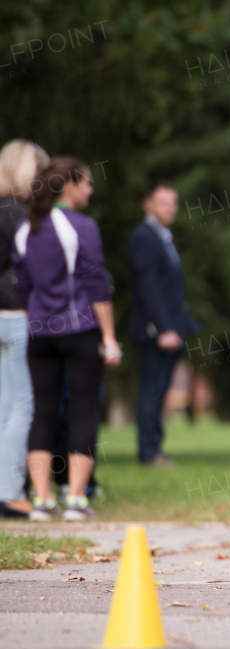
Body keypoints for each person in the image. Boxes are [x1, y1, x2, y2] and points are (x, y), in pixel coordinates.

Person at [11, 156, 121, 521]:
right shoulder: (82, 226)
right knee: (83, 411)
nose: (90, 189)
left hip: (40, 334)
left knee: (42, 412)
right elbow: (96, 284)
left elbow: (23, 285)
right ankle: (75, 499)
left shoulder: (27, 228)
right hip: (79, 331)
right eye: (87, 182)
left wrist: (37, 320)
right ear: (70, 186)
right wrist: (109, 337)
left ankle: (42, 501)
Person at [127, 180, 198, 468]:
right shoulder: (144, 238)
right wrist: (164, 328)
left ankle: (155, 449)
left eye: (173, 203)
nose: (170, 208)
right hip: (156, 331)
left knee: (159, 390)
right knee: (152, 391)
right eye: (163, 202)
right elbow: (148, 288)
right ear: (148, 204)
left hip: (171, 327)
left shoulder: (162, 237)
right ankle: (149, 452)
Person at [0, 140, 48, 519]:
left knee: (4, 405)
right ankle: (11, 490)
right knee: (22, 405)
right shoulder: (19, 214)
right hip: (16, 314)